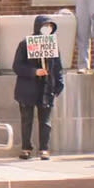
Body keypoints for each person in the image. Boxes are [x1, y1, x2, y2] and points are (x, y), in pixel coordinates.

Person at [13, 15, 65, 160]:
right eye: (45, 26)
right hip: (27, 88)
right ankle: (26, 148)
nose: (47, 29)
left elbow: (58, 67)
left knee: (46, 121)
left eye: (50, 26)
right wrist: (34, 72)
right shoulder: (24, 44)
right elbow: (17, 66)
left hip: (46, 88)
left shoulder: (53, 45)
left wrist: (59, 84)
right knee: (26, 120)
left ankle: (44, 148)